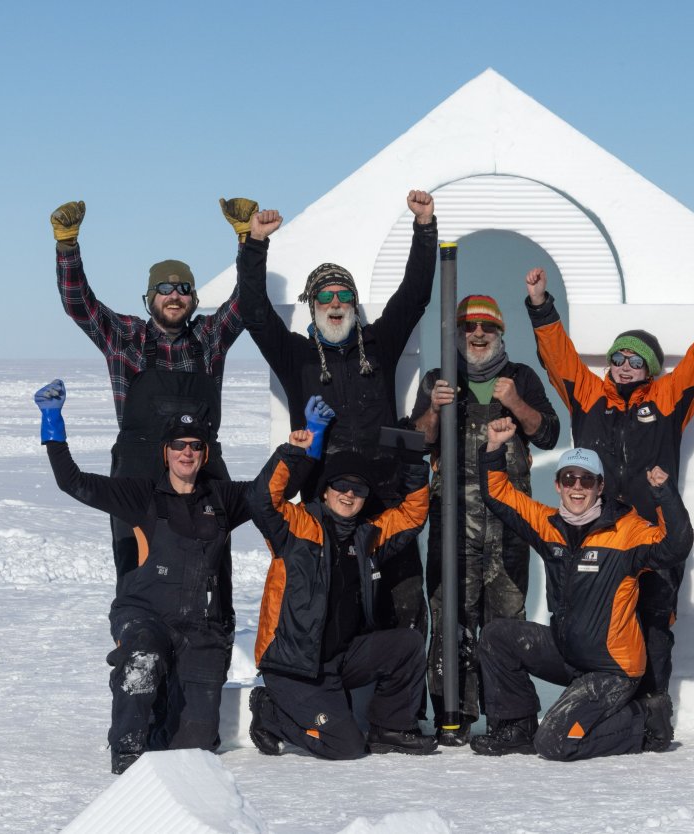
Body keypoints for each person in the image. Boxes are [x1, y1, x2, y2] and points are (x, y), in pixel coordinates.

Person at [50, 198, 282, 621]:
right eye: (164, 288)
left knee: (210, 574)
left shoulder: (210, 339)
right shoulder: (125, 338)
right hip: (139, 478)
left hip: (202, 472)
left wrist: (248, 241)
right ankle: (135, 650)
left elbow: (247, 300)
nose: (174, 296)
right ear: (149, 297)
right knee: (137, 572)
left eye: (183, 289)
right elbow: (79, 305)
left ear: (193, 299)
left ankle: (212, 645)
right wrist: (68, 248)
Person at [523, 266, 694, 704]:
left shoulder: (666, 399)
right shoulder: (587, 395)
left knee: (654, 622)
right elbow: (559, 357)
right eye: (618, 358)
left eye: (635, 361)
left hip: (651, 534)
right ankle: (598, 707)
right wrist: (541, 306)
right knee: (591, 621)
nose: (624, 367)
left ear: (650, 368)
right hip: (597, 534)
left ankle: (654, 713)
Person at [238, 190, 437, 640]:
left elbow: (414, 296)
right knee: (334, 618)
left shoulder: (380, 345)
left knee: (404, 613)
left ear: (352, 302)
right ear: (312, 305)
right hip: (326, 510)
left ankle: (406, 711)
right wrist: (254, 245)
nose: (334, 302)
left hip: (386, 505)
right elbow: (253, 311)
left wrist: (424, 228)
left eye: (343, 294)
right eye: (324, 295)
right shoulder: (295, 355)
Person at [34, 380, 255, 775]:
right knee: (143, 657)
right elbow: (75, 483)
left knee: (197, 744)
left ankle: (160, 715)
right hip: (146, 613)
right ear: (165, 452)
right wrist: (53, 425)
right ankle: (127, 752)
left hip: (201, 627)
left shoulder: (222, 499)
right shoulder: (142, 496)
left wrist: (305, 446)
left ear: (204, 455)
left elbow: (271, 491)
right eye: (178, 445)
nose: (186, 452)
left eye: (194, 445)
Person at [470, 418, 694, 760]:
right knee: (497, 635)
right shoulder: (549, 526)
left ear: (599, 486)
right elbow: (499, 496)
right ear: (558, 485)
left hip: (612, 670)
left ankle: (644, 718)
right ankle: (515, 728)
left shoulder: (626, 531)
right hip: (567, 654)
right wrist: (494, 448)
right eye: (569, 478)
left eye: (586, 480)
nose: (578, 487)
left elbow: (675, 545)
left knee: (555, 743)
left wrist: (664, 493)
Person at [246, 397, 438, 759]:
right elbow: (261, 501)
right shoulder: (297, 527)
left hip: (340, 660)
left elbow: (412, 516)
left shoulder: (367, 537)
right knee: (346, 747)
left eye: (359, 489)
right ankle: (270, 710)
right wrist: (292, 452)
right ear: (326, 489)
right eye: (341, 486)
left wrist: (414, 463)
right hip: (294, 667)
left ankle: (391, 727)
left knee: (407, 644)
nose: (349, 494)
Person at [409, 294, 560, 745]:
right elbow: (418, 441)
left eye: (487, 328)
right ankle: (452, 716)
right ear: (457, 333)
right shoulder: (439, 379)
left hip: (508, 526)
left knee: (504, 624)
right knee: (450, 618)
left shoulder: (522, 378)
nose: (478, 334)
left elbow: (548, 431)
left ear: (500, 334)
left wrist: (516, 402)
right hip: (452, 526)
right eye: (470, 327)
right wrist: (434, 409)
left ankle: (507, 719)